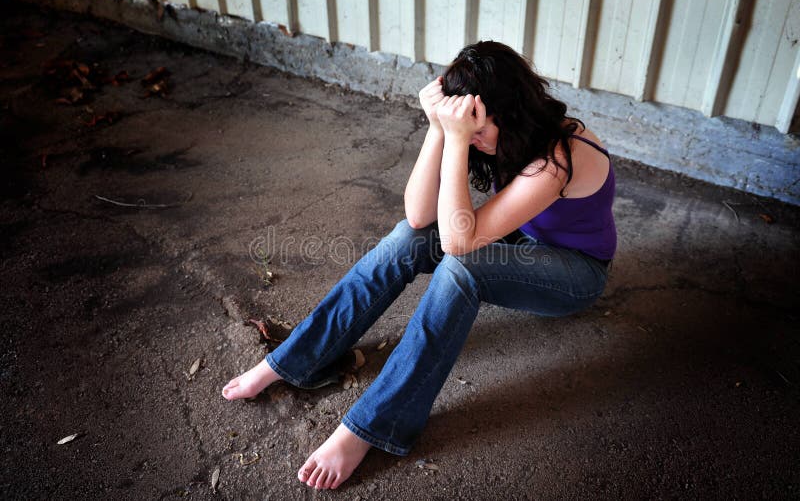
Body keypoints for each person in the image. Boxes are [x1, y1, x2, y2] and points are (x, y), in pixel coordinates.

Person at [221, 41, 616, 490]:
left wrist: (459, 137)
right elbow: (417, 216)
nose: (476, 142)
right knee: (409, 238)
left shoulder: (559, 156)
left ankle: (371, 426)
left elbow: (458, 241)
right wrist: (437, 129)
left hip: (574, 272)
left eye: (477, 130)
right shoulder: (495, 131)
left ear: (511, 111)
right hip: (523, 236)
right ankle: (299, 360)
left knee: (461, 269)